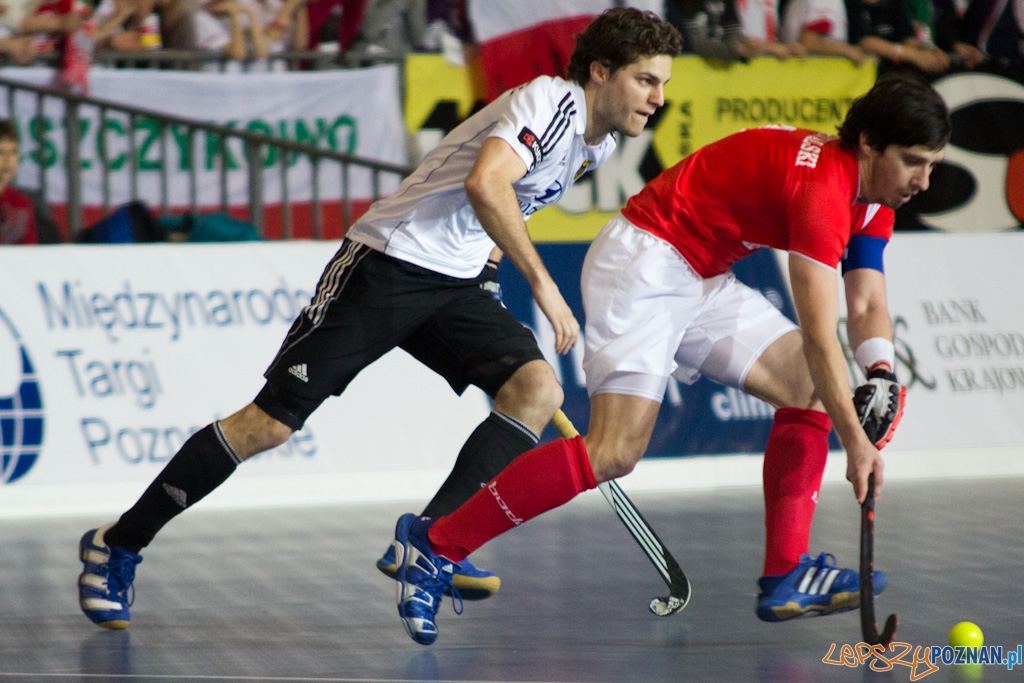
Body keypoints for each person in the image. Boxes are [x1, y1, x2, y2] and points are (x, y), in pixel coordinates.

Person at [76, 6, 681, 630]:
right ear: (600, 72)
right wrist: (543, 286)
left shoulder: (598, 144)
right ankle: (117, 544)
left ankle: (431, 542)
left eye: (662, 83)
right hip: (390, 262)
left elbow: (515, 207)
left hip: (458, 281)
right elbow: (487, 184)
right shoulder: (549, 101)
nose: (658, 98)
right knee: (269, 425)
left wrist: (489, 275)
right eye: (645, 81)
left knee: (536, 390)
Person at [388, 72, 950, 645]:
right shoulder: (825, 190)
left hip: (701, 274)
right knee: (613, 451)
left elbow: (868, 301)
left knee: (806, 386)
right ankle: (434, 545)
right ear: (869, 144)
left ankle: (786, 572)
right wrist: (856, 442)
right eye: (912, 162)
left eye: (931, 165)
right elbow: (821, 337)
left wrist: (881, 371)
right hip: (646, 261)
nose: (923, 181)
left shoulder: (872, 198)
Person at [0, 120, 39, 245]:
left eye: (13, 152)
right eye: (1, 152)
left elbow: (30, 250)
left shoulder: (22, 203)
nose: (8, 160)